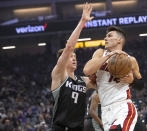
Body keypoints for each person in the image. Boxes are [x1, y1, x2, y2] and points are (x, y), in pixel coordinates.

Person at [83, 26, 142, 131]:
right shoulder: (100, 53)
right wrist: (109, 56)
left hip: (123, 108)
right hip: (105, 111)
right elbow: (87, 70)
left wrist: (132, 81)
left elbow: (141, 85)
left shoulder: (129, 60)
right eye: (105, 36)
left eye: (109, 36)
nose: (106, 38)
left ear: (119, 40)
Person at [50, 3, 94, 131]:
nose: (74, 57)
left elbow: (102, 83)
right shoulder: (58, 75)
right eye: (70, 57)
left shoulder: (83, 81)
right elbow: (69, 47)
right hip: (61, 127)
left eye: (75, 56)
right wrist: (83, 21)